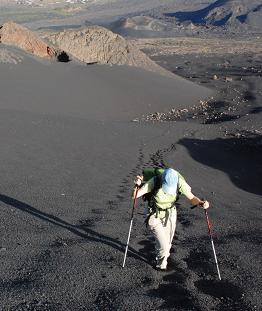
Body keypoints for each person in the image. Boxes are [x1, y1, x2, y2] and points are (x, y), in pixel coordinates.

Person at [132, 168, 210, 271]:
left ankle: (162, 259)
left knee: (167, 244)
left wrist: (201, 203)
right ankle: (160, 267)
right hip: (154, 214)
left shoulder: (180, 182)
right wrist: (137, 185)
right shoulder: (155, 181)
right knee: (164, 246)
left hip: (170, 213)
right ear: (162, 180)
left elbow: (192, 198)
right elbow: (135, 195)